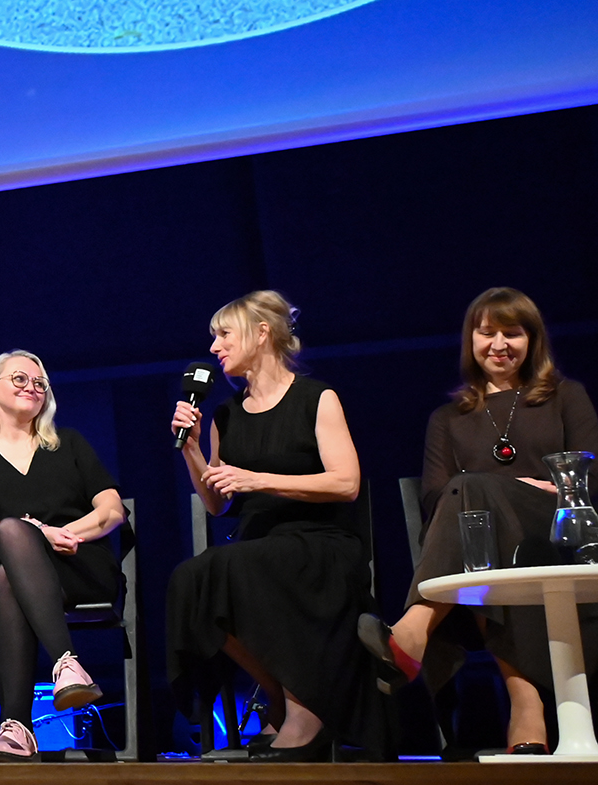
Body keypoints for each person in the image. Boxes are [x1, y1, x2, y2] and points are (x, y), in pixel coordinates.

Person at [357, 287, 598, 753]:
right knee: (475, 519)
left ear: (533, 339)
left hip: (559, 532)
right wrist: (492, 491)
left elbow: (591, 475)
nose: (499, 345)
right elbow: (434, 496)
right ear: (471, 340)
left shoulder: (565, 396)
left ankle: (414, 631)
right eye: (487, 333)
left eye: (513, 333)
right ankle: (524, 702)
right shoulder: (448, 417)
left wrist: (513, 488)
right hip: (481, 544)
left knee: (474, 495)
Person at [169, 290, 380, 762]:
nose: (215, 347)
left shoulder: (316, 399)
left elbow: (346, 483)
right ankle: (282, 696)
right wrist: (192, 448)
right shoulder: (225, 415)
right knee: (191, 580)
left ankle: (305, 710)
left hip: (320, 542)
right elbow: (217, 503)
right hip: (259, 545)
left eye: (224, 334)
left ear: (262, 333)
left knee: (246, 564)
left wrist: (259, 479)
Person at [0, 351, 125, 763]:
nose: (32, 387)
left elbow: (112, 510)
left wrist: (63, 534)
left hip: (78, 565)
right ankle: (67, 664)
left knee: (7, 576)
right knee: (11, 540)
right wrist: (38, 534)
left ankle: (17, 727)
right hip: (9, 560)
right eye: (19, 379)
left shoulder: (69, 444)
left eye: (39, 382)